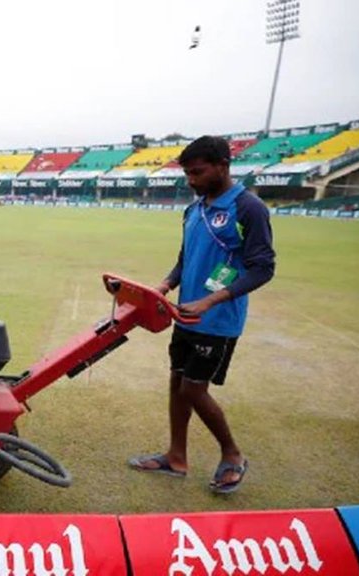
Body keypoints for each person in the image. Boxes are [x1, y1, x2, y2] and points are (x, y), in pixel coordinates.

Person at [128, 136, 275, 494]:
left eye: (197, 172)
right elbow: (184, 260)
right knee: (177, 383)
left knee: (194, 389)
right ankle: (176, 457)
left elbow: (262, 268)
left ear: (222, 166)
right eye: (187, 174)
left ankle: (233, 455)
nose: (191, 181)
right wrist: (163, 286)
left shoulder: (248, 208)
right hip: (185, 315)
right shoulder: (193, 210)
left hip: (218, 321)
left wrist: (210, 302)